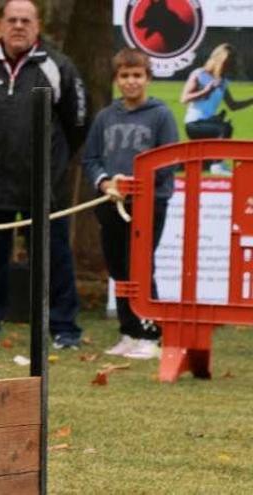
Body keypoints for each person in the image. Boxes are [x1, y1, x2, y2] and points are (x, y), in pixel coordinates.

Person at [0, 0, 87, 349]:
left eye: (25, 20)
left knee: (53, 259)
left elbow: (76, 126)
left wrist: (52, 164)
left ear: (37, 26)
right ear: (1, 24)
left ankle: (64, 329)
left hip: (44, 186)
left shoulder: (60, 67)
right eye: (12, 19)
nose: (18, 26)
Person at [82, 48, 178, 360]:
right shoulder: (105, 117)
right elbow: (91, 158)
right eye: (124, 76)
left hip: (149, 202)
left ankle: (150, 334)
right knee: (118, 268)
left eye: (137, 75)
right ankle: (128, 331)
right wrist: (105, 183)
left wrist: (135, 185)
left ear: (147, 78)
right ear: (116, 80)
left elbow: (169, 159)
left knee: (140, 266)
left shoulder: (161, 115)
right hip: (111, 203)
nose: (131, 82)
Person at [180, 43, 253, 175]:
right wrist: (206, 91)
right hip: (194, 124)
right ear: (218, 60)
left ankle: (177, 167)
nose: (228, 68)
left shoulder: (222, 81)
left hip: (208, 123)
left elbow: (233, 106)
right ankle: (218, 165)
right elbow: (184, 99)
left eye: (230, 64)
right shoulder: (199, 74)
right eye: (226, 63)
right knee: (224, 128)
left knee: (201, 165)